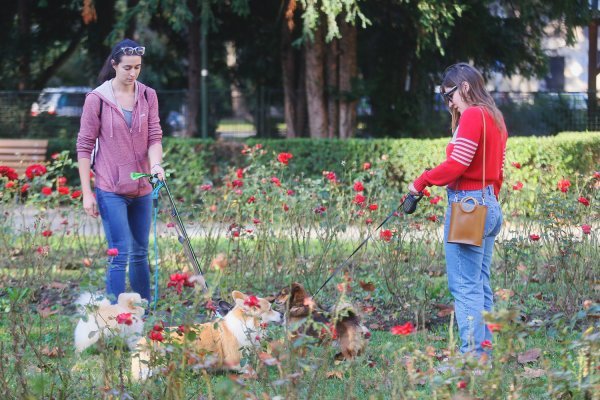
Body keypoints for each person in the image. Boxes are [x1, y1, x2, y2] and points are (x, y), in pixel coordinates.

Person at [409, 63, 507, 357]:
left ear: (465, 87)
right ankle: (485, 355)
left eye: (449, 95)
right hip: (488, 203)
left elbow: (457, 165)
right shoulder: (494, 117)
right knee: (480, 283)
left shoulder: (473, 115)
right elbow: (497, 170)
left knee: (465, 287)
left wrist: (421, 182)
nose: (448, 103)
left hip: (468, 206)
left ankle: (473, 360)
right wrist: (487, 200)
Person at [76, 38, 165, 304]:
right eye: (127, 67)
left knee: (140, 253)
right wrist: (86, 193)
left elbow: (154, 136)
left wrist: (157, 164)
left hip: (142, 189)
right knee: (120, 253)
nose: (133, 73)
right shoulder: (97, 99)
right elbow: (84, 146)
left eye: (137, 67)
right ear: (114, 64)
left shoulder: (148, 95)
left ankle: (144, 315)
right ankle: (114, 318)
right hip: (110, 188)